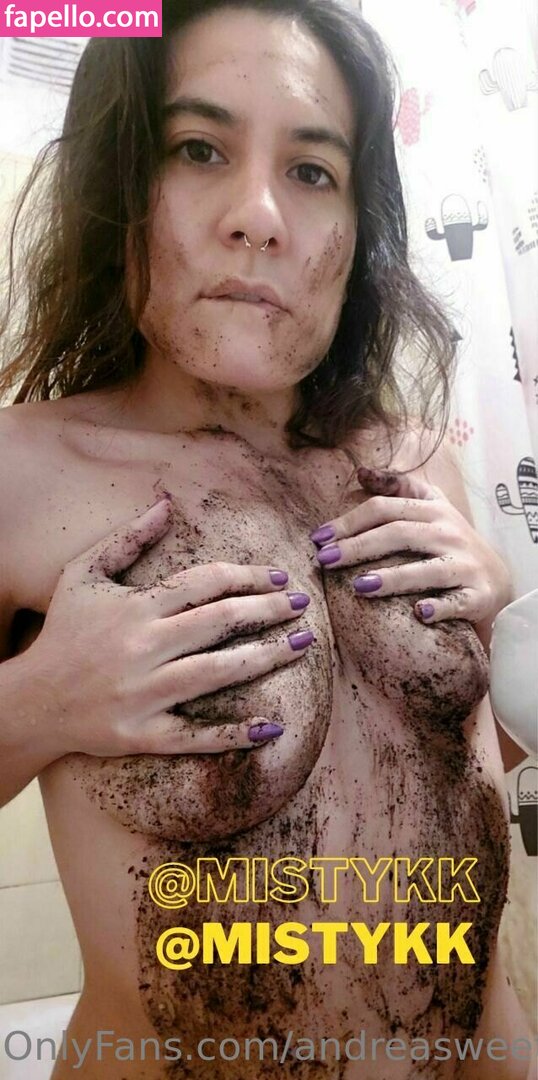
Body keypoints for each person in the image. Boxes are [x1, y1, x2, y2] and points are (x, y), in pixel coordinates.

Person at [0, 1, 533, 1076]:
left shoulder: (418, 459)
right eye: (198, 149)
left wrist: (497, 622)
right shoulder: (23, 471)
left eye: (311, 170)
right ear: (118, 183)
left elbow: (461, 774)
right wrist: (42, 701)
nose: (259, 216)